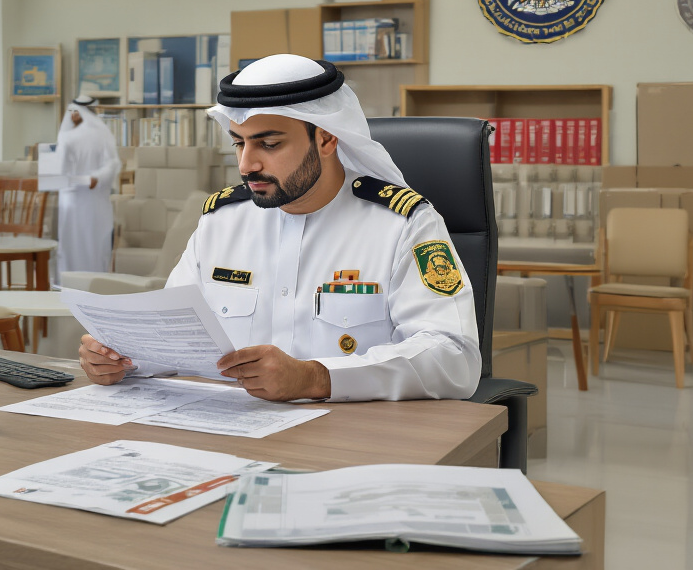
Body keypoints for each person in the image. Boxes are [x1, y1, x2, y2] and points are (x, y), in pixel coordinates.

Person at [78, 54, 481, 403]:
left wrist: (317, 378)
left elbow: (454, 357)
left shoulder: (403, 225)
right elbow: (175, 338)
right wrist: (123, 360)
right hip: (226, 434)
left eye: (268, 145)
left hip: (347, 441)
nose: (246, 165)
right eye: (239, 143)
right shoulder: (221, 222)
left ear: (326, 138)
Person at [55, 95, 121, 275]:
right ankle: (69, 287)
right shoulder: (66, 137)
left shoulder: (102, 135)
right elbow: (59, 173)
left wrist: (96, 178)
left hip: (94, 203)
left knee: (94, 245)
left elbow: (112, 164)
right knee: (71, 246)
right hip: (71, 202)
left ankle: (95, 287)